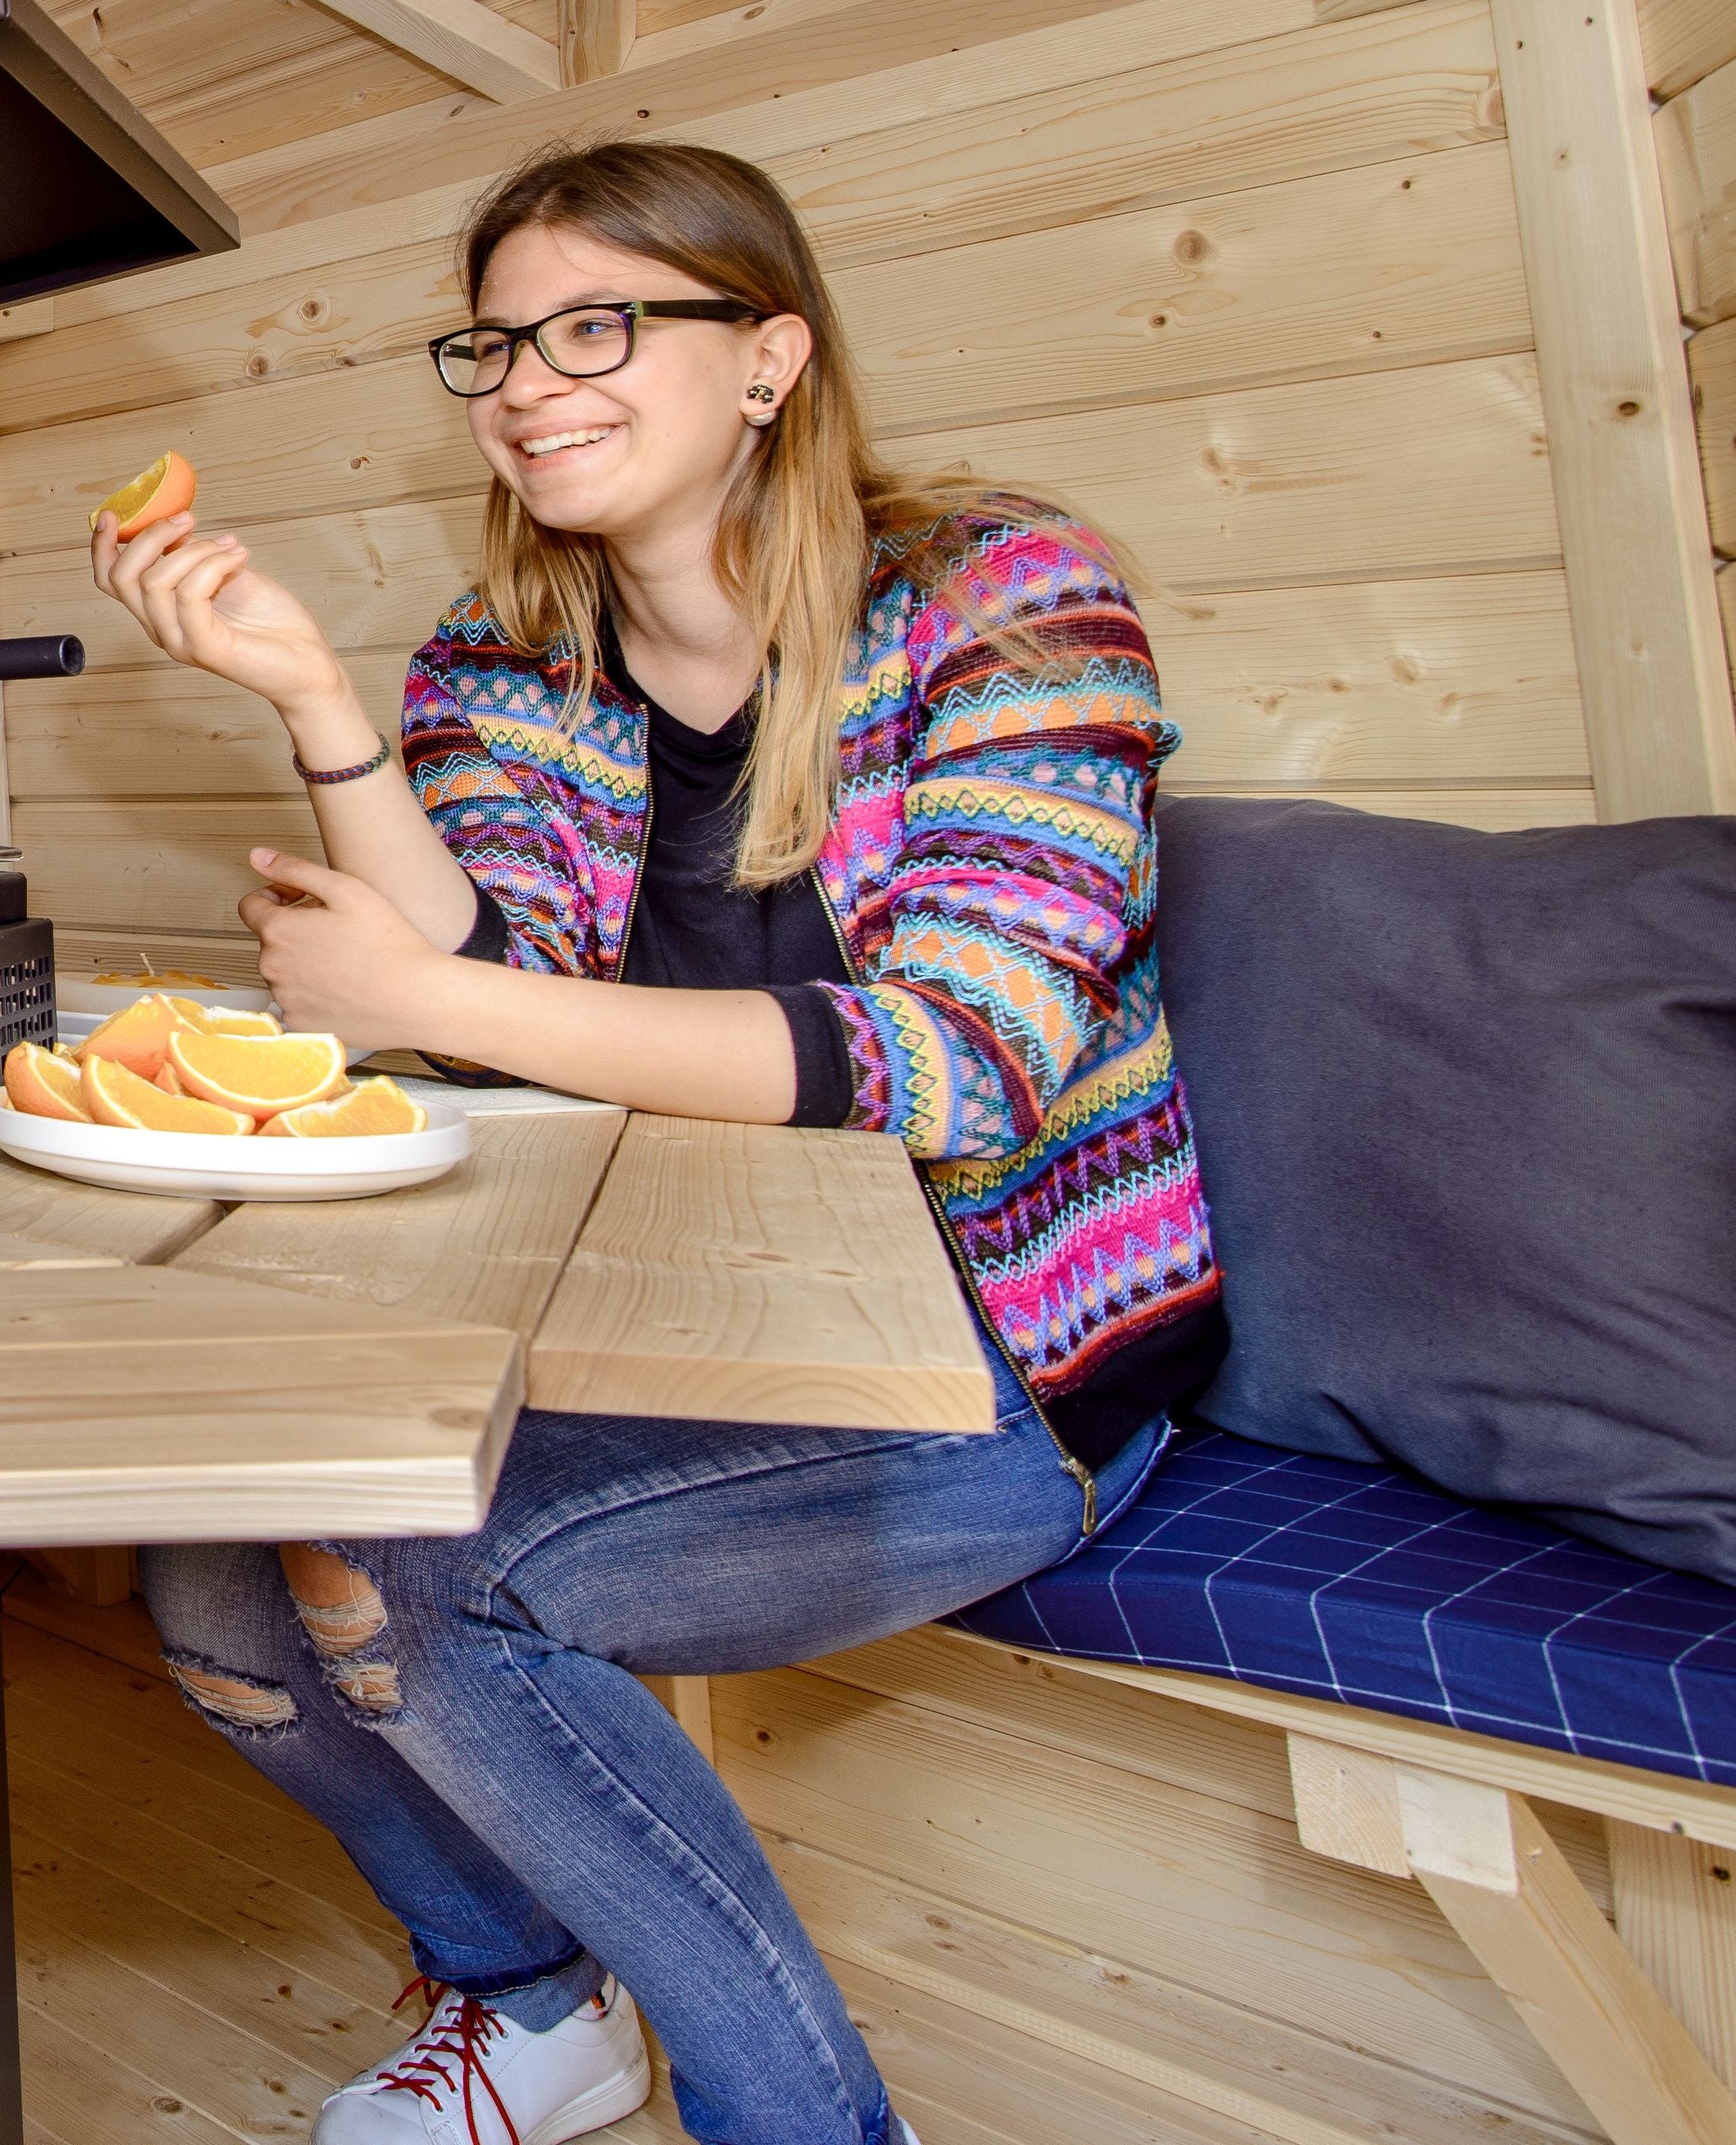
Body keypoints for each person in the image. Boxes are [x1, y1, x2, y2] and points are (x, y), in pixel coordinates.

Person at [92, 140, 1221, 2145]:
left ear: (765, 356)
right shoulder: (507, 658)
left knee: (415, 1598)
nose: (528, 381)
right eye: (496, 343)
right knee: (208, 1549)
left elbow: (963, 1055)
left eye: (595, 325)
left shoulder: (1000, 596)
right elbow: (495, 966)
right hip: (660, 1311)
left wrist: (432, 1008)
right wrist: (315, 702)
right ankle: (533, 2005)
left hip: (997, 1367)